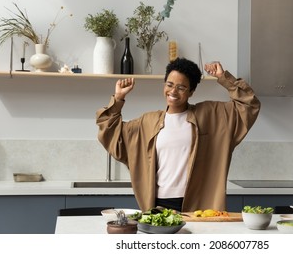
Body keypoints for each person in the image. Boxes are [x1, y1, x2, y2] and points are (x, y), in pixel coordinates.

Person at [96, 58, 260, 212]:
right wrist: (118, 99)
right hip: (159, 205)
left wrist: (224, 78)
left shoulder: (211, 115)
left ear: (192, 92)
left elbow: (249, 104)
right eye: (169, 84)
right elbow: (111, 134)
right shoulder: (147, 122)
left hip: (201, 206)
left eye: (181, 87)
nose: (173, 91)